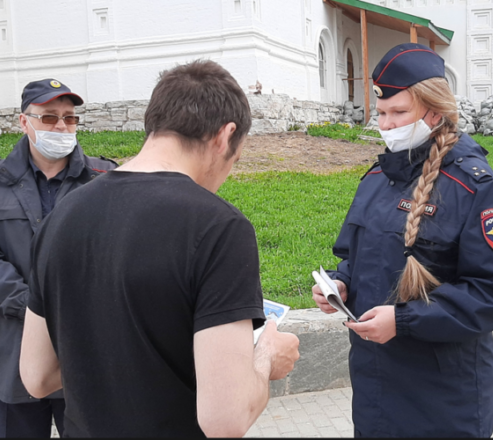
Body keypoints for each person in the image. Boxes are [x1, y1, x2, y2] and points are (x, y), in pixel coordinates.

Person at [19, 60, 300, 438]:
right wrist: (266, 358)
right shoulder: (219, 228)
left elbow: (37, 376)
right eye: (237, 157)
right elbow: (225, 418)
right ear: (225, 135)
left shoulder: (61, 215)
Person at [312, 43, 493, 438]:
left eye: (399, 113)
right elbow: (358, 257)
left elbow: (491, 295)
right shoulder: (376, 179)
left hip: (442, 393)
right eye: (382, 113)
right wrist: (340, 284)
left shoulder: (474, 187)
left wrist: (404, 321)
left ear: (435, 112)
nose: (386, 125)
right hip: (376, 382)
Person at [0, 79, 117, 437]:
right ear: (23, 121)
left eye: (69, 118)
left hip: (86, 351)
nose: (61, 127)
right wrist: (34, 308)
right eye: (49, 117)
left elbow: (119, 251)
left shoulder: (105, 179)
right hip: (12, 353)